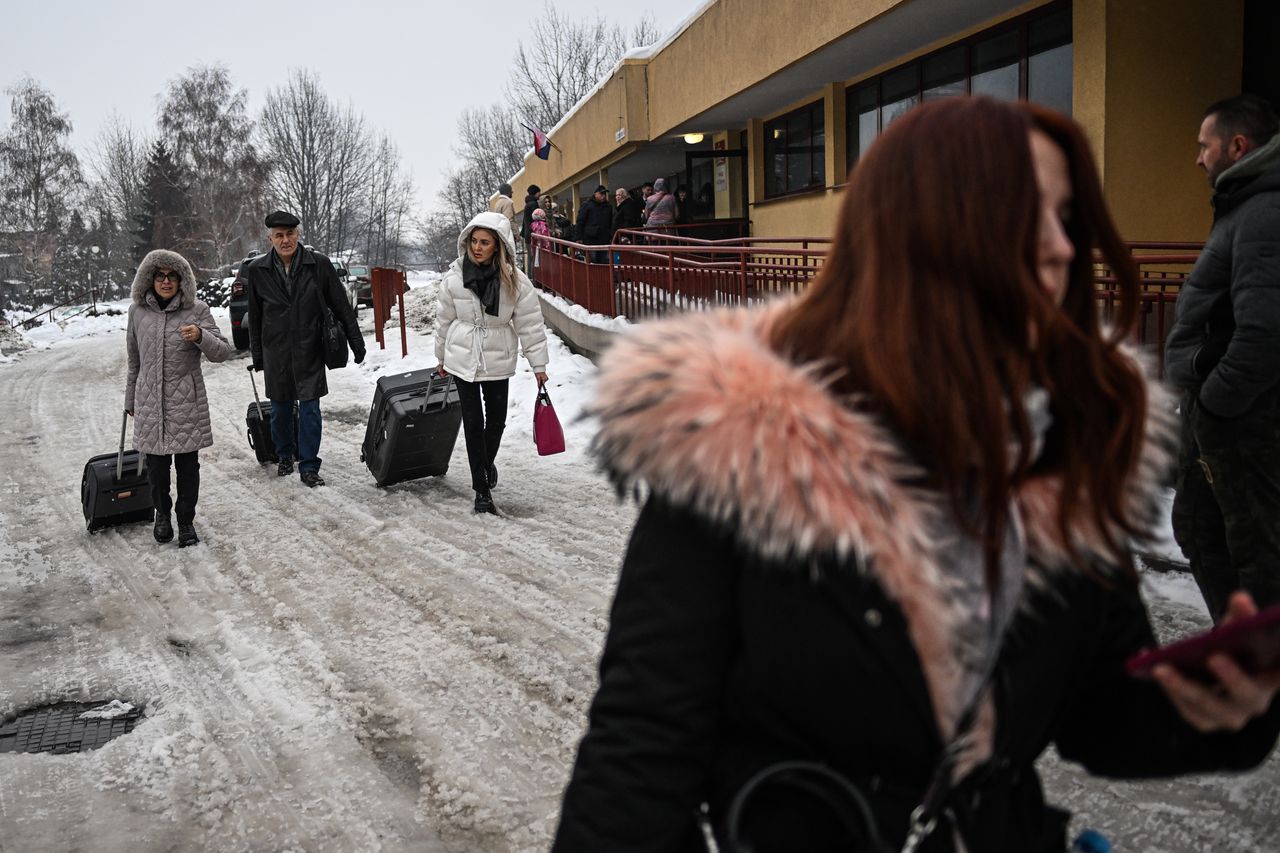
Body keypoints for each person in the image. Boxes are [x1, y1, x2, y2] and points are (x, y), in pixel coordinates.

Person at [552, 97, 1280, 852]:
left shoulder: (1066, 459)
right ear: (920, 236)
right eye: (1030, 217)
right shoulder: (736, 443)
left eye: (1069, 219)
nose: (1066, 249)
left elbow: (1105, 717)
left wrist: (1218, 703)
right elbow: (639, 753)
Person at [1166, 94, 1280, 621]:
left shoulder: (1264, 211)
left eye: (1203, 145)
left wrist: (1215, 403)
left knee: (1253, 553)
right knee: (1199, 530)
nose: (1198, 158)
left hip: (1241, 422)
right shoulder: (1245, 205)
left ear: (1237, 145)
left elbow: (1264, 332)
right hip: (1219, 419)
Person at [435, 211, 550, 515]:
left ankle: (485, 465)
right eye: (474, 241)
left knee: (496, 420)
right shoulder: (455, 278)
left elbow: (530, 325)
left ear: (497, 246)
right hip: (462, 355)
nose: (477, 247)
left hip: (498, 355)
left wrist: (539, 366)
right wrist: (441, 358)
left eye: (485, 242)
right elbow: (443, 320)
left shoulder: (516, 282)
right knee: (473, 423)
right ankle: (481, 489)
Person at [245, 210, 365, 488]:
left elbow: (341, 306)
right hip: (276, 350)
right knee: (280, 409)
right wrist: (258, 355)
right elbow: (256, 316)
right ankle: (285, 454)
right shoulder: (258, 270)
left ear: (298, 235)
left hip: (310, 348)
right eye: (279, 236)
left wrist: (356, 342)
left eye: (290, 234)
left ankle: (309, 465)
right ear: (270, 238)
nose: (285, 240)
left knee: (310, 408)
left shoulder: (318, 265)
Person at [125, 249, 232, 547]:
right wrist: (130, 399)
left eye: (173, 276)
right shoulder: (137, 312)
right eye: (160, 275)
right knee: (156, 468)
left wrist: (200, 335)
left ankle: (186, 521)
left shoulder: (196, 310)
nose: (166, 281)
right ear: (149, 278)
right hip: (149, 400)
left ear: (182, 279)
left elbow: (222, 352)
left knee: (187, 467)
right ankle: (162, 514)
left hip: (186, 400)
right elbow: (134, 360)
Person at [576, 184, 614, 264]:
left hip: (604, 239)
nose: (603, 196)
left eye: (604, 194)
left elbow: (610, 221)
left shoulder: (608, 206)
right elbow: (580, 221)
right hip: (590, 239)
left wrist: (610, 234)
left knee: (604, 262)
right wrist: (578, 237)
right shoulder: (587, 205)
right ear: (596, 194)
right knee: (593, 262)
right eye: (601, 194)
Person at [519, 184, 542, 274]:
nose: (540, 194)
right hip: (532, 235)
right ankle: (533, 277)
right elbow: (534, 220)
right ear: (535, 193)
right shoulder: (533, 204)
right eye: (539, 192)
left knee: (530, 257)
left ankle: (531, 277)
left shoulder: (528, 204)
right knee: (533, 257)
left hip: (528, 234)